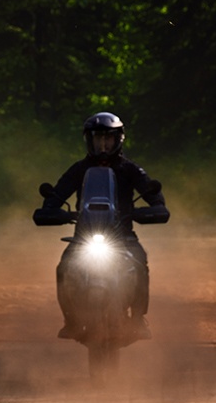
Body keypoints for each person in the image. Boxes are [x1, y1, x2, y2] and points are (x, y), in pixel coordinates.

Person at [43, 111, 167, 339]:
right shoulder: (79, 169)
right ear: (89, 140)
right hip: (85, 236)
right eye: (97, 138)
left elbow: (153, 195)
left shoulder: (130, 169)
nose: (102, 144)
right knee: (63, 267)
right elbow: (58, 194)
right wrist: (50, 209)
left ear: (117, 139)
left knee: (140, 262)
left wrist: (154, 208)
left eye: (107, 139)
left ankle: (138, 319)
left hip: (123, 236)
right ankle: (70, 320)